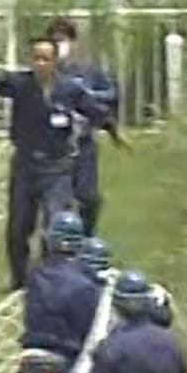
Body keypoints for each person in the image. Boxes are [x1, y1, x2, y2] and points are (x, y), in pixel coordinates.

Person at [0, 37, 111, 292]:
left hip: (57, 168)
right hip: (25, 167)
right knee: (18, 228)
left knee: (55, 224)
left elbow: (95, 111)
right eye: (36, 58)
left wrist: (113, 129)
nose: (40, 63)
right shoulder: (20, 84)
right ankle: (19, 280)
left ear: (54, 62)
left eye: (46, 59)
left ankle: (51, 279)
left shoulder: (69, 89)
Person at [47, 18, 121, 236]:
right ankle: (57, 250)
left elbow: (112, 93)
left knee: (88, 197)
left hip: (84, 143)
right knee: (59, 202)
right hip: (55, 146)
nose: (59, 46)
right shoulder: (45, 74)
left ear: (73, 43)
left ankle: (88, 236)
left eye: (63, 40)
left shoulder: (88, 71)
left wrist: (88, 96)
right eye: (54, 41)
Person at [19, 210, 101, 373]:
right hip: (65, 363)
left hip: (29, 357)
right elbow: (90, 334)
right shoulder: (86, 285)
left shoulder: (35, 276)